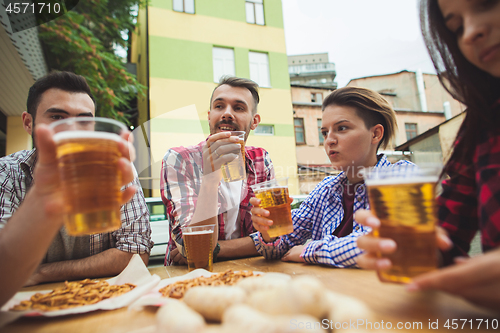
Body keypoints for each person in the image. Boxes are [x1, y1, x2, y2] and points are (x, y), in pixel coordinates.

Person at [356, 0, 500, 310]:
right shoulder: (484, 127)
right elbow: (447, 236)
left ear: (376, 134)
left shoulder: (400, 173)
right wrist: (408, 250)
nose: (471, 32)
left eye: (487, 4)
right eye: (456, 28)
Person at [0, 71, 153, 287]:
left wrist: (43, 272)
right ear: (28, 123)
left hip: (100, 300)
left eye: (83, 121)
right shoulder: (6, 173)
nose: (71, 130)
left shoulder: (114, 172)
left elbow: (136, 253)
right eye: (57, 118)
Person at [250, 87, 414, 267]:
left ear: (375, 134)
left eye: (341, 128)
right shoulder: (326, 189)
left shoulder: (402, 176)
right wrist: (268, 230)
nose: (329, 140)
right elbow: (279, 246)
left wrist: (309, 251)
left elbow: (379, 243)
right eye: (325, 132)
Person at [161, 76, 274, 265]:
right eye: (219, 106)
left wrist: (217, 250)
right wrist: (210, 178)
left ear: (254, 121)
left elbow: (274, 239)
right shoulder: (179, 160)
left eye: (239, 108)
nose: (227, 114)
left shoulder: (262, 160)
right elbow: (197, 250)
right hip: (195, 279)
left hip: (252, 274)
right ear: (209, 115)